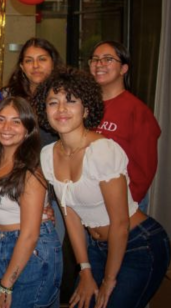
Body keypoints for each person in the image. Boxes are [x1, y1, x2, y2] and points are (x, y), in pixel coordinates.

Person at [35, 68, 170, 308]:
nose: (62, 109)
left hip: (138, 244)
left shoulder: (102, 151)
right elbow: (71, 216)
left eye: (71, 101)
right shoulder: (48, 155)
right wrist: (85, 269)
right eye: (53, 102)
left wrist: (109, 279)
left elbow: (120, 223)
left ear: (86, 109)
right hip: (97, 248)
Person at [0, 96, 62, 308]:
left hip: (32, 250)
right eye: (1, 119)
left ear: (28, 129)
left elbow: (30, 235)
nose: (7, 127)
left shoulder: (30, 171)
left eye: (16, 122)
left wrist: (6, 284)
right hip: (2, 243)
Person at [88, 41, 161, 210]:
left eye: (108, 59)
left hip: (123, 201)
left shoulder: (137, 110)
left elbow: (144, 169)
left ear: (123, 69)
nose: (100, 64)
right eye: (95, 59)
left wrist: (126, 204)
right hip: (90, 202)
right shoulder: (84, 106)